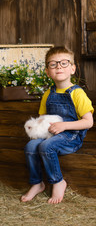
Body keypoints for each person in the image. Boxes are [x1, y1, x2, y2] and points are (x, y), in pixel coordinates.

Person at [21, 46, 94, 204]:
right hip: (50, 134)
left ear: (72, 69)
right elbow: (42, 119)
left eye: (64, 63)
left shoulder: (77, 93)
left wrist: (64, 126)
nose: (58, 66)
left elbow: (89, 122)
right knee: (31, 146)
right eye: (53, 64)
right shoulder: (48, 94)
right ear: (47, 71)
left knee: (46, 147)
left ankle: (57, 181)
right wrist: (36, 130)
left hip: (71, 137)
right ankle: (37, 183)